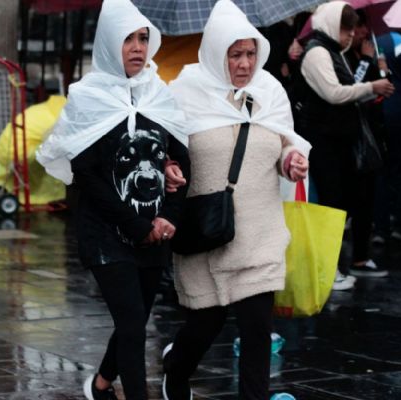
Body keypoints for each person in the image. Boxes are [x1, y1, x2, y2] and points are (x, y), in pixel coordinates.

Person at [35, 1, 189, 399]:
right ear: (107, 43)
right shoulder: (89, 98)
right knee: (134, 324)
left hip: (154, 232)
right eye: (127, 39)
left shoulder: (158, 95)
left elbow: (179, 161)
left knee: (133, 321)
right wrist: (136, 225)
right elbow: (87, 177)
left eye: (143, 38)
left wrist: (167, 217)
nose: (137, 47)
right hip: (106, 233)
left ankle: (102, 383)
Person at [160, 1, 311, 399]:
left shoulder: (269, 90)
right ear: (215, 53)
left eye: (250, 54)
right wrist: (168, 167)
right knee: (204, 327)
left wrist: (292, 160)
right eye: (234, 54)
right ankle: (176, 372)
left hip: (259, 232)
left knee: (257, 330)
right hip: (208, 232)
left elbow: (284, 142)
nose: (245, 64)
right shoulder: (183, 93)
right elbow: (162, 149)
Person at [294, 1, 394, 291]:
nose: (350, 34)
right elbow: (334, 93)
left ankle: (334, 266)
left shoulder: (332, 52)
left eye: (351, 28)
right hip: (323, 142)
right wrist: (371, 87)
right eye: (345, 28)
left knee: (339, 206)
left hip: (337, 141)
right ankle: (328, 269)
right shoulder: (318, 53)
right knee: (330, 206)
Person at [372, 27, 401, 244]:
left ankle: (380, 226)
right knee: (399, 168)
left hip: (377, 110)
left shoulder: (374, 41)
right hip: (400, 113)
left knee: (380, 171)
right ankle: (399, 221)